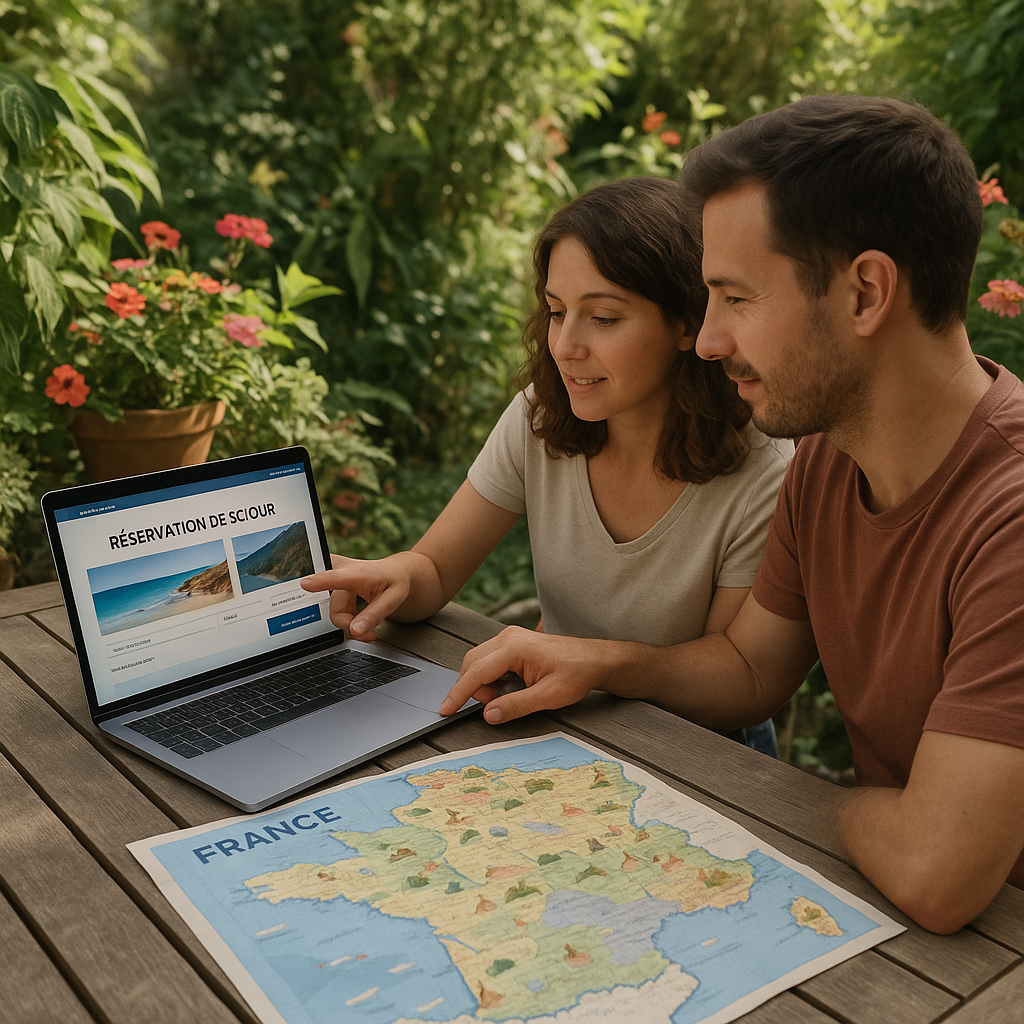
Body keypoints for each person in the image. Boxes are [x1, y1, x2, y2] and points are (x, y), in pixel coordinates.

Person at [439, 95, 1024, 934]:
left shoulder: (1010, 515)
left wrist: (828, 806)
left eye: (735, 299)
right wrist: (598, 663)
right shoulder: (827, 460)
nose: (706, 341)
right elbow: (751, 673)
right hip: (894, 910)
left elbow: (938, 872)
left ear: (866, 293)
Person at [303, 176, 792, 754]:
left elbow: (739, 680)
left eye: (604, 318)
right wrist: (397, 577)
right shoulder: (540, 419)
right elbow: (434, 568)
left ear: (689, 323)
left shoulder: (764, 468)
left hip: (704, 752)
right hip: (564, 722)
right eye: (558, 312)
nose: (564, 346)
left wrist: (596, 662)